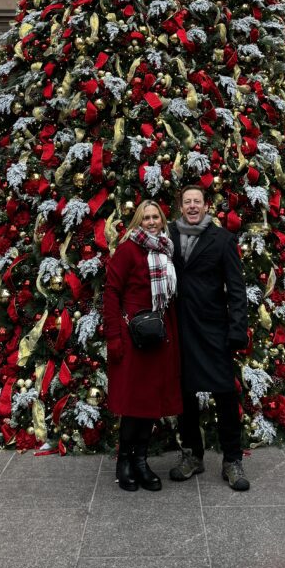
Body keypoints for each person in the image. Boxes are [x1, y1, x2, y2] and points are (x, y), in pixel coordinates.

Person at [168, 184, 251, 491]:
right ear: (181, 206)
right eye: (187, 201)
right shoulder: (168, 237)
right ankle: (192, 455)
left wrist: (237, 329)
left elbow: (237, 289)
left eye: (197, 201)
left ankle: (232, 459)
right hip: (180, 328)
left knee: (225, 395)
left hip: (214, 329)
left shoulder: (222, 239)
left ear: (205, 206)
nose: (192, 206)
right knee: (185, 395)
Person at [103, 199, 181, 492]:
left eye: (156, 217)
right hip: (132, 336)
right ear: (138, 221)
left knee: (150, 402)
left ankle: (141, 461)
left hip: (159, 335)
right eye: (146, 217)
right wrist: (113, 336)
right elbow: (111, 293)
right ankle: (124, 461)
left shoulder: (166, 249)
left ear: (162, 220)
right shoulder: (128, 250)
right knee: (133, 403)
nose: (151, 222)